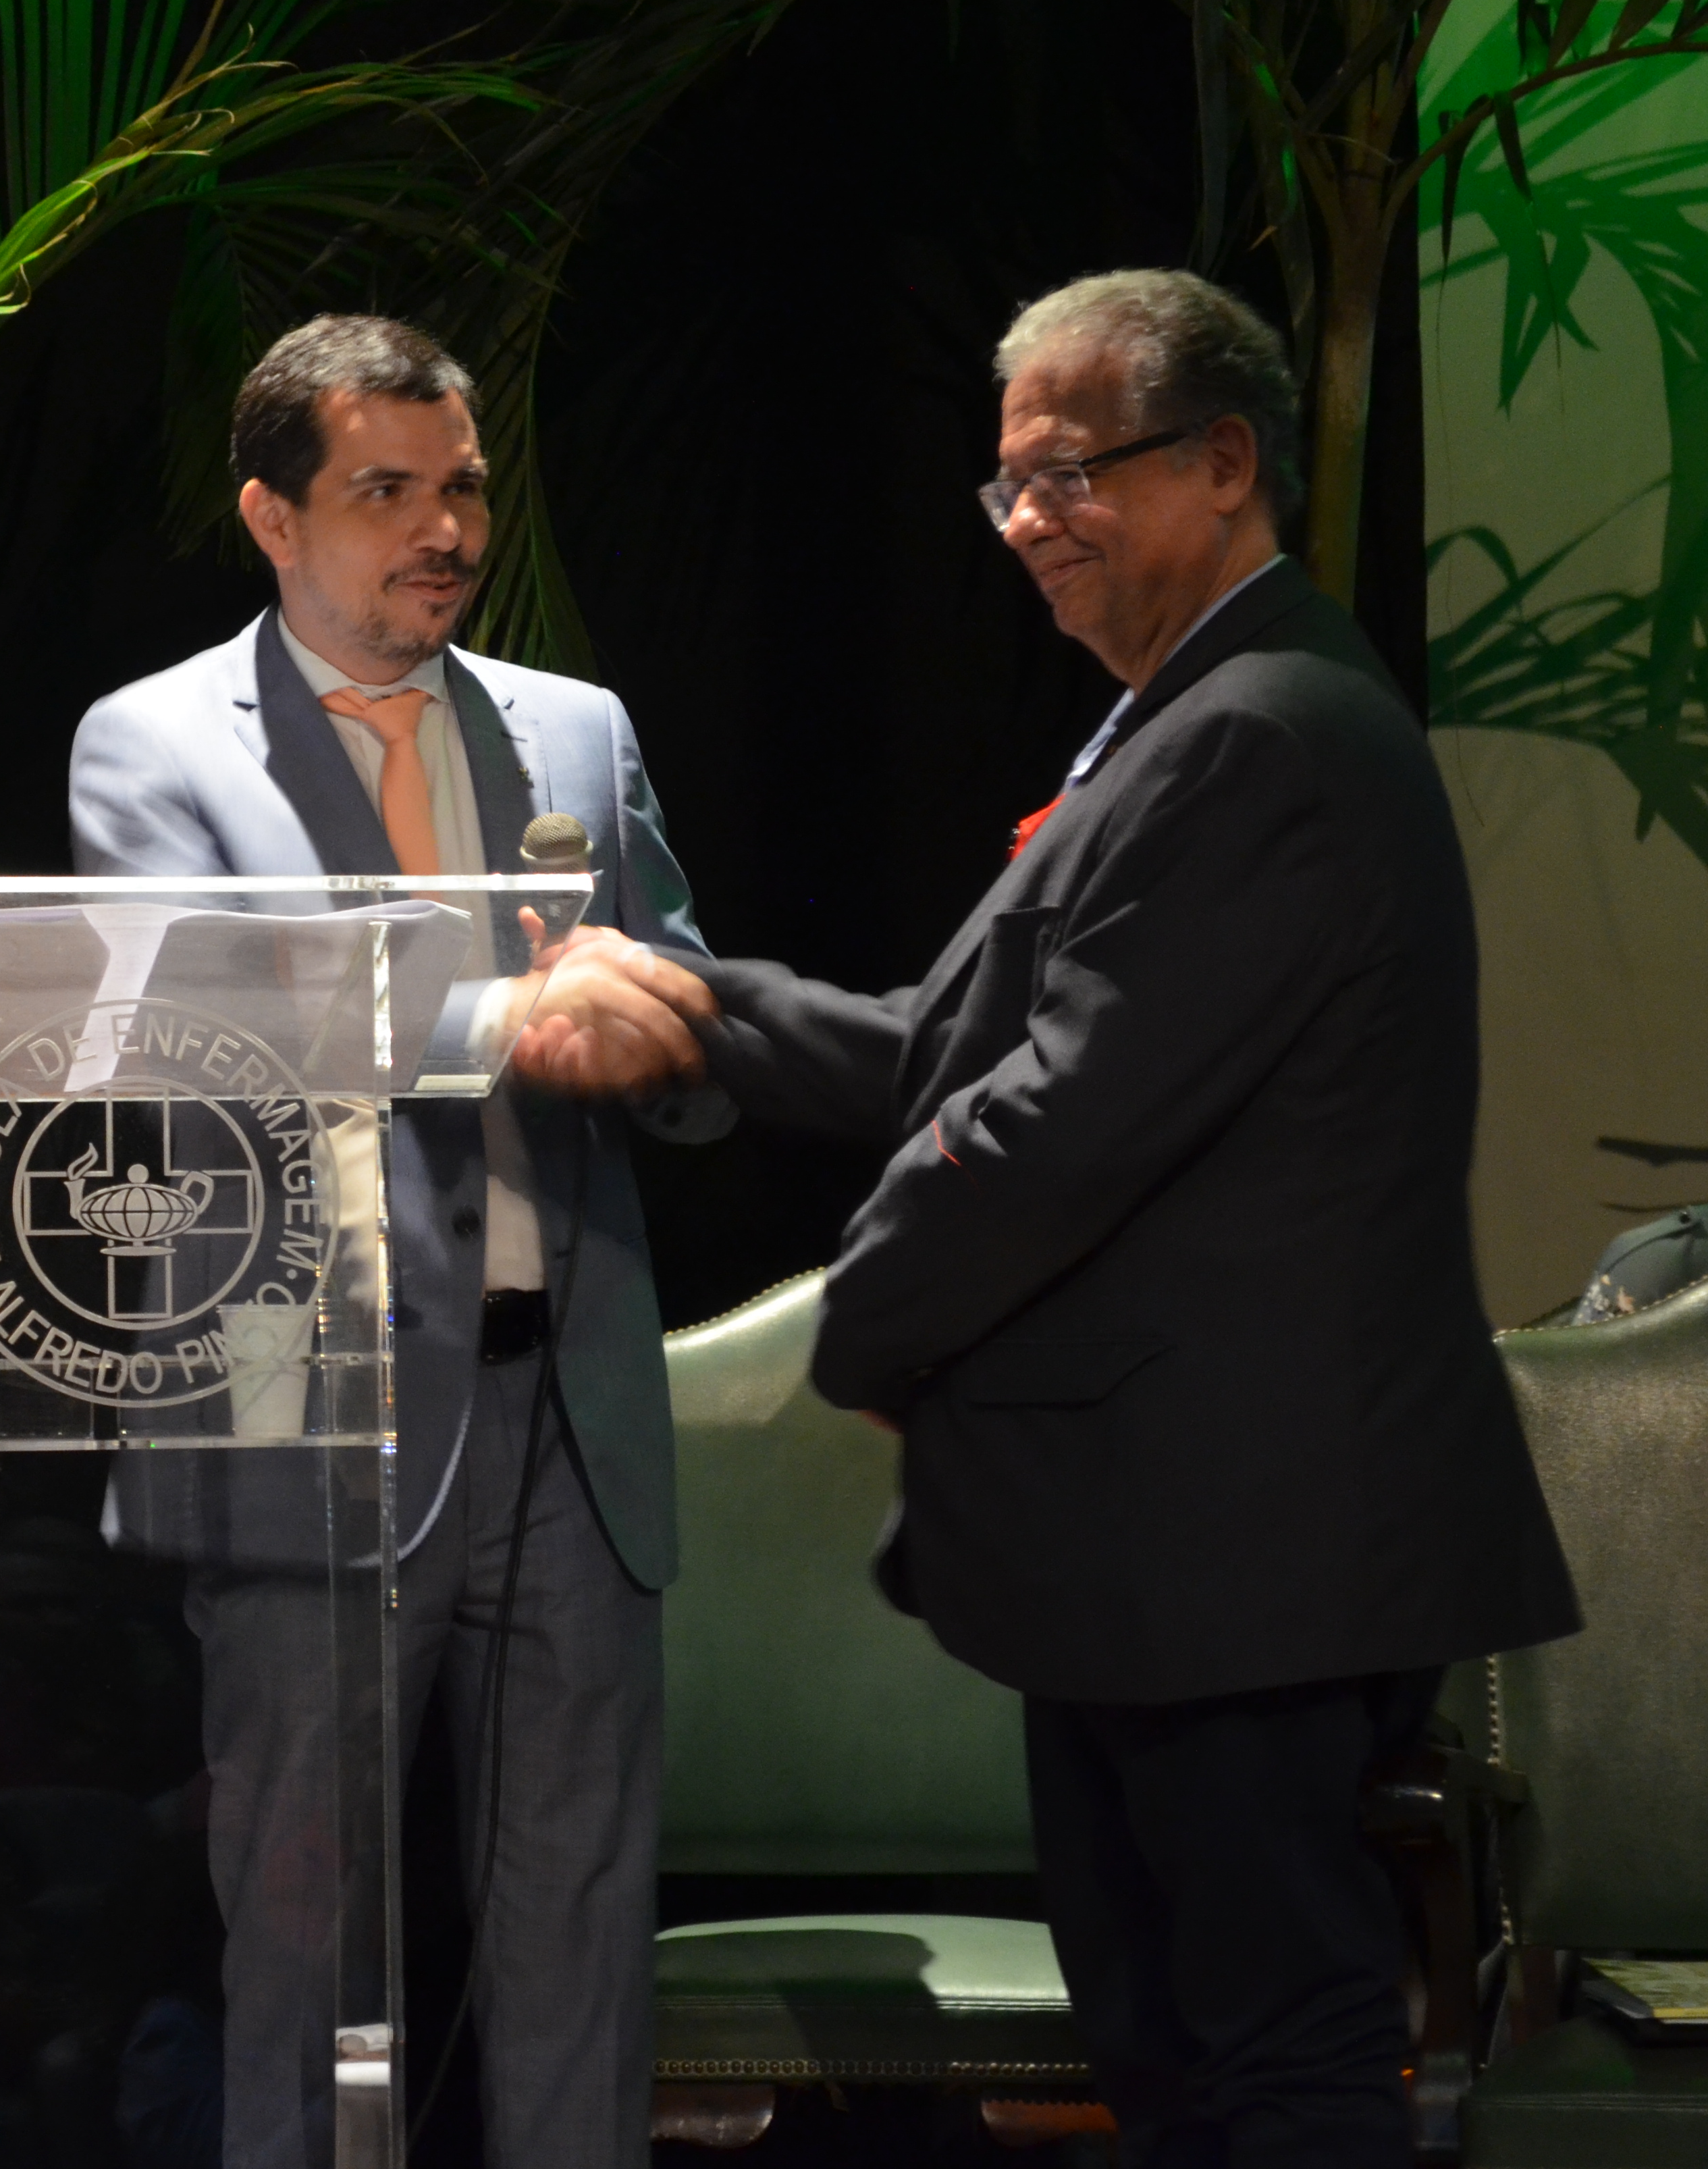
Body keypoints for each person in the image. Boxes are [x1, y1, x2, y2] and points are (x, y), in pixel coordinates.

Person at [521, 268, 1583, 2166]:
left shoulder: (1260, 734)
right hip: (1177, 1552)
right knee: (1169, 2045)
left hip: (1244, 1548)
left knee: (1268, 2054)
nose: (1028, 521)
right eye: (1007, 483)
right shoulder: (1194, 717)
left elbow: (1047, 1130)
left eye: (1073, 473)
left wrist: (865, 1340)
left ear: (1226, 463)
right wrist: (688, 1007)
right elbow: (954, 1050)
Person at [67, 315, 732, 2169]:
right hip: (305, 1417)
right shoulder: (152, 741)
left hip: (569, 1426)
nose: (445, 532)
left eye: (464, 490)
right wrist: (515, 1020)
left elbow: (678, 974)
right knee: (299, 1959)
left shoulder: (576, 729)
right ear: (272, 517)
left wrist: (676, 1041)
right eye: (388, 493)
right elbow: (207, 1016)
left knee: (579, 1955)